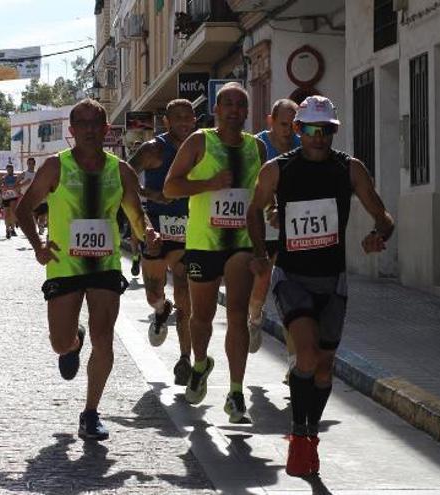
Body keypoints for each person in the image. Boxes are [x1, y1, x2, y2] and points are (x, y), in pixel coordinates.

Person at [247, 95, 394, 477]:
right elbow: (254, 210)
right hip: (292, 277)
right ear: (298, 131)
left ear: (334, 132)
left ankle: (311, 433)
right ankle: (298, 435)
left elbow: (383, 215)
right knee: (307, 356)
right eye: (311, 129)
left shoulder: (350, 170)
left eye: (326, 130)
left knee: (325, 369)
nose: (319, 137)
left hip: (334, 281)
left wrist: (380, 235)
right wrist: (261, 255)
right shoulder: (276, 169)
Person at [15, 99, 161, 441]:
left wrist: (147, 235)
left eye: (97, 123)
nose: (90, 129)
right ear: (72, 131)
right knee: (60, 342)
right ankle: (73, 341)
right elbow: (23, 209)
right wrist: (38, 245)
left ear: (107, 130)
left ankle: (91, 412)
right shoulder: (55, 167)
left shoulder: (120, 170)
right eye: (83, 124)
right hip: (64, 264)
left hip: (105, 265)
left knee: (105, 338)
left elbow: (136, 214)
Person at [163, 82, 265, 424]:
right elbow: (171, 186)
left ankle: (236, 394)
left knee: (236, 315)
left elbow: (261, 194)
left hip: (240, 244)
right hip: (204, 243)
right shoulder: (200, 141)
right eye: (228, 104)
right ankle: (201, 363)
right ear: (217, 111)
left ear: (247, 112)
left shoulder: (256, 148)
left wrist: (273, 212)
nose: (235, 110)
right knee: (201, 317)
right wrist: (209, 184)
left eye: (241, 105)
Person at [129, 99, 195, 385]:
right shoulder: (153, 149)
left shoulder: (200, 148)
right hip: (155, 228)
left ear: (194, 120)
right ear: (166, 122)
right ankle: (160, 309)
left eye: (188, 117)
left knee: (185, 297)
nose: (183, 122)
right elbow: (123, 179)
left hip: (189, 229)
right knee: (154, 293)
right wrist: (152, 195)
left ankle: (185, 360)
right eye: (177, 117)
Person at [251, 98, 302, 363]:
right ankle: (255, 316)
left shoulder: (302, 146)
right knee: (262, 282)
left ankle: (294, 362)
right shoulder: (258, 145)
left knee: (292, 295)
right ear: (271, 121)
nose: (288, 130)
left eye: (293, 125)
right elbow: (255, 185)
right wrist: (271, 208)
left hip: (294, 228)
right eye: (283, 124)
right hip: (265, 227)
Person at [0, 164, 20, 239]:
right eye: (8, 169)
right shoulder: (4, 178)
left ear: (13, 169)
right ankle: (8, 229)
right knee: (6, 215)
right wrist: (2, 189)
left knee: (12, 213)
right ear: (6, 170)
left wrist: (17, 191)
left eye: (11, 169)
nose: (9, 171)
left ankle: (12, 228)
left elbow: (19, 186)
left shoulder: (16, 177)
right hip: (6, 197)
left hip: (14, 196)